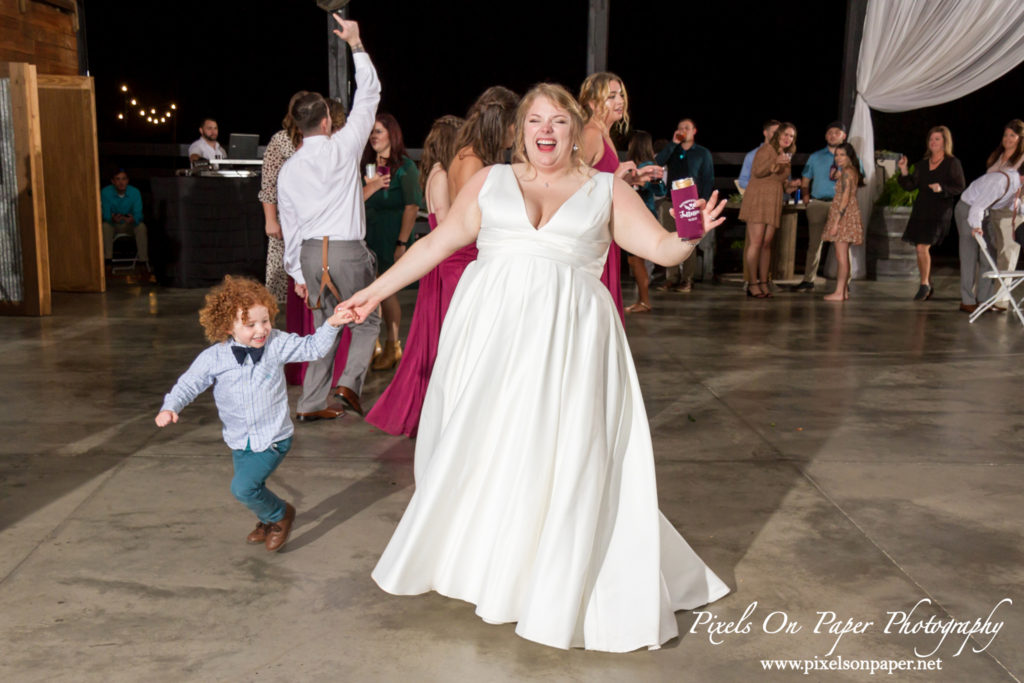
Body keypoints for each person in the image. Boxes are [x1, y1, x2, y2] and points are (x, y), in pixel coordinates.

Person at [337, 83, 730, 652]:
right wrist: (373, 293)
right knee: (493, 449)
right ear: (521, 130)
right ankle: (495, 570)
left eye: (558, 121)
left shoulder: (605, 190)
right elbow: (437, 244)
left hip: (573, 343)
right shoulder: (491, 182)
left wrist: (690, 237)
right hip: (490, 341)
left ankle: (552, 581)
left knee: (562, 454)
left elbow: (661, 249)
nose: (546, 130)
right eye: (535, 120)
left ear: (576, 130)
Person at [155, 275, 350, 552]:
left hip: (273, 437)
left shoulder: (276, 344)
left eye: (266, 321)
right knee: (252, 487)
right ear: (227, 326)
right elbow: (189, 383)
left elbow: (313, 348)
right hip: (239, 440)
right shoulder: (214, 357)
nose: (261, 330)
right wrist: (170, 406)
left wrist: (331, 324)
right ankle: (266, 519)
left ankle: (280, 515)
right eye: (250, 325)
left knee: (243, 489)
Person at [277, 15, 381, 420]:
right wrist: (356, 43)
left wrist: (299, 277)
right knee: (365, 322)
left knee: (326, 328)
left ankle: (310, 404)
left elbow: (290, 227)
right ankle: (348, 384)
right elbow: (369, 94)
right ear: (325, 122)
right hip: (345, 251)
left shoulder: (289, 169)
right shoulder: (344, 147)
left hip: (307, 253)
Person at [365, 115, 464, 437]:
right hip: (446, 263)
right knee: (438, 337)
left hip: (445, 260)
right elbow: (449, 225)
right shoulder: (441, 174)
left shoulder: (440, 173)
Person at [579, 72, 661, 322]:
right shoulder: (590, 134)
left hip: (607, 232)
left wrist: (633, 179)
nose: (619, 101)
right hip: (592, 236)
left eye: (621, 95)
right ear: (593, 103)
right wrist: (616, 175)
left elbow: (603, 181)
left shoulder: (605, 135)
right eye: (611, 96)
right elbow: (575, 188)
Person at [361, 113, 422, 370]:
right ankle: (372, 344)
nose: (374, 136)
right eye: (372, 132)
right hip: (367, 235)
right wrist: (371, 186)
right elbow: (353, 204)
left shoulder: (405, 167)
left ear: (391, 134)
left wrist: (401, 243)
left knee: (386, 293)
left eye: (379, 131)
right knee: (369, 291)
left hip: (391, 236)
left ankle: (393, 344)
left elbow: (411, 207)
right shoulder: (365, 166)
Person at [897, 126, 967, 300]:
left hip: (939, 210)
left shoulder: (952, 163)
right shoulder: (922, 164)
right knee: (920, 248)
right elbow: (909, 185)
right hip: (922, 209)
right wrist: (904, 169)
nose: (933, 142)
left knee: (922, 246)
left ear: (945, 142)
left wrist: (941, 188)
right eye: (931, 139)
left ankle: (924, 284)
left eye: (937, 139)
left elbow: (959, 186)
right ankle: (926, 282)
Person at [739, 122, 799, 298]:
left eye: (792, 136)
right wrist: (775, 163)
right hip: (758, 198)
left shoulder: (785, 154)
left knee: (766, 244)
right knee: (756, 242)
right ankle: (752, 283)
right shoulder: (766, 150)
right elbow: (757, 172)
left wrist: (792, 186)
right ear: (778, 134)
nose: (788, 138)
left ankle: (764, 282)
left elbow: (780, 182)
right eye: (786, 134)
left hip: (773, 200)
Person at [655, 118, 714, 291]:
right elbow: (658, 162)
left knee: (689, 241)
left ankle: (687, 279)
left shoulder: (702, 153)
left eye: (687, 128)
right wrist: (673, 144)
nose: (683, 130)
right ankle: (671, 277)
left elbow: (708, 178)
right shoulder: (673, 150)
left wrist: (704, 198)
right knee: (669, 239)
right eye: (680, 128)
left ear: (694, 130)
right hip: (671, 200)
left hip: (691, 202)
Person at [954, 168, 1021, 313]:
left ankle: (984, 299)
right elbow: (976, 208)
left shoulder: (1016, 184)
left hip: (984, 211)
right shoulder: (1000, 183)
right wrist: (977, 227)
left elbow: (1012, 204)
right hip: (968, 209)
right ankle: (967, 301)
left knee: (989, 255)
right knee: (969, 255)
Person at [795, 121, 850, 292]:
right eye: (830, 132)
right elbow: (806, 178)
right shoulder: (816, 156)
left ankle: (845, 283)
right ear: (826, 136)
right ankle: (808, 279)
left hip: (839, 205)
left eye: (837, 132)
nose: (833, 135)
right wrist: (806, 198)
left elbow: (860, 179)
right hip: (818, 203)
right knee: (814, 244)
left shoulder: (850, 157)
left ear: (844, 136)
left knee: (841, 246)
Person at [984, 119, 1024, 310]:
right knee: (992, 254)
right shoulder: (998, 157)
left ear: (1020, 138)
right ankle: (990, 296)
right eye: (1006, 134)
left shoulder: (1022, 158)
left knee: (1007, 255)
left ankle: (1001, 301)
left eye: (1012, 135)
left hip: (1011, 212)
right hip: (992, 211)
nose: (1007, 139)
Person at [624, 130, 665, 313]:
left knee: (636, 261)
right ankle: (641, 300)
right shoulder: (644, 165)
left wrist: (640, 179)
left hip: (640, 216)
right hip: (638, 216)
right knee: (635, 261)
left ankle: (645, 301)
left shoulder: (646, 166)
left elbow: (657, 188)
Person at [822, 143, 864, 302]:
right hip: (848, 212)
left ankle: (839, 291)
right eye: (837, 155)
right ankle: (843, 291)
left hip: (844, 215)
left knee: (841, 257)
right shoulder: (849, 171)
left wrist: (836, 222)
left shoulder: (847, 172)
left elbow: (845, 198)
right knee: (843, 255)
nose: (838, 158)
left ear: (849, 156)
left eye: (842, 155)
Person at [101, 168, 149, 277]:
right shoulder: (106, 192)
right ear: (113, 181)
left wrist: (133, 219)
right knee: (105, 226)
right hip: (113, 224)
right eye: (117, 179)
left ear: (127, 180)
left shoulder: (134, 192)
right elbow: (105, 213)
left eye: (123, 179)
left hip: (129, 224)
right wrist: (112, 218)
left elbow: (139, 214)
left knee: (141, 227)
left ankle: (143, 262)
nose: (121, 182)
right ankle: (108, 261)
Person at [738, 119, 780, 190]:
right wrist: (762, 187)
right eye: (774, 133)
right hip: (759, 196)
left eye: (779, 133)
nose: (777, 136)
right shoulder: (752, 155)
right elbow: (742, 181)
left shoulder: (782, 154)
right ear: (765, 133)